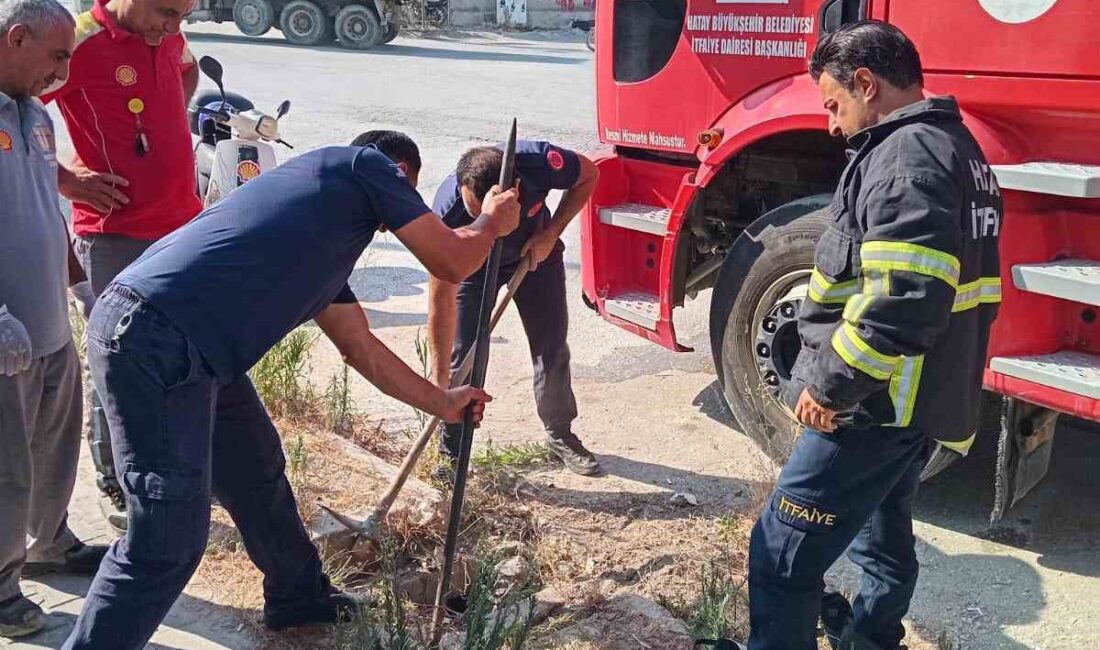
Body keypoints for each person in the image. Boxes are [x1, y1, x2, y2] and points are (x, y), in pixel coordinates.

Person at [61, 140, 521, 649]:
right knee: (165, 543)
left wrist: (444, 402)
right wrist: (492, 222)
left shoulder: (324, 241)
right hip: (158, 340)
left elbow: (360, 349)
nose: (407, 211)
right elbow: (452, 261)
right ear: (399, 173)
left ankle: (298, 598)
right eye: (407, 195)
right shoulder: (363, 164)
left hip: (194, 349)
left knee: (256, 468)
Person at [746, 21, 1002, 650]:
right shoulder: (955, 146)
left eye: (833, 104)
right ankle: (871, 639)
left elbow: (904, 300)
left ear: (867, 82)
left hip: (872, 404)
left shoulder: (903, 159)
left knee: (780, 555)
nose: (831, 125)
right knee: (883, 537)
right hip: (918, 401)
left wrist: (831, 388)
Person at [40, 0, 202, 534]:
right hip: (114, 237)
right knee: (118, 359)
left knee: (183, 351)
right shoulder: (80, 40)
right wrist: (69, 181)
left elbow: (187, 67)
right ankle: (118, 477)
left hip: (180, 224)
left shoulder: (166, 35)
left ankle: (176, 465)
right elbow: (12, 107)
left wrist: (167, 126)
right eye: (166, 12)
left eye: (185, 15)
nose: (173, 27)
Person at [0, 0, 110, 638]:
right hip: (4, 335)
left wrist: (82, 286)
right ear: (17, 37)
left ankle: (47, 544)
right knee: (6, 466)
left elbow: (44, 206)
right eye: (57, 56)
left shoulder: (35, 116)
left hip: (46, 323)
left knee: (52, 449)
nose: (63, 73)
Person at [428, 140, 601, 476]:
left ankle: (560, 434)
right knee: (465, 358)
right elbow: (439, 300)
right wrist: (437, 385)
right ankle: (451, 453)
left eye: (488, 216)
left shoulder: (539, 163)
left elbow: (589, 175)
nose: (482, 224)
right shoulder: (446, 214)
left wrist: (551, 233)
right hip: (472, 268)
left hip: (534, 254)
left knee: (550, 346)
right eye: (474, 216)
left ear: (516, 190)